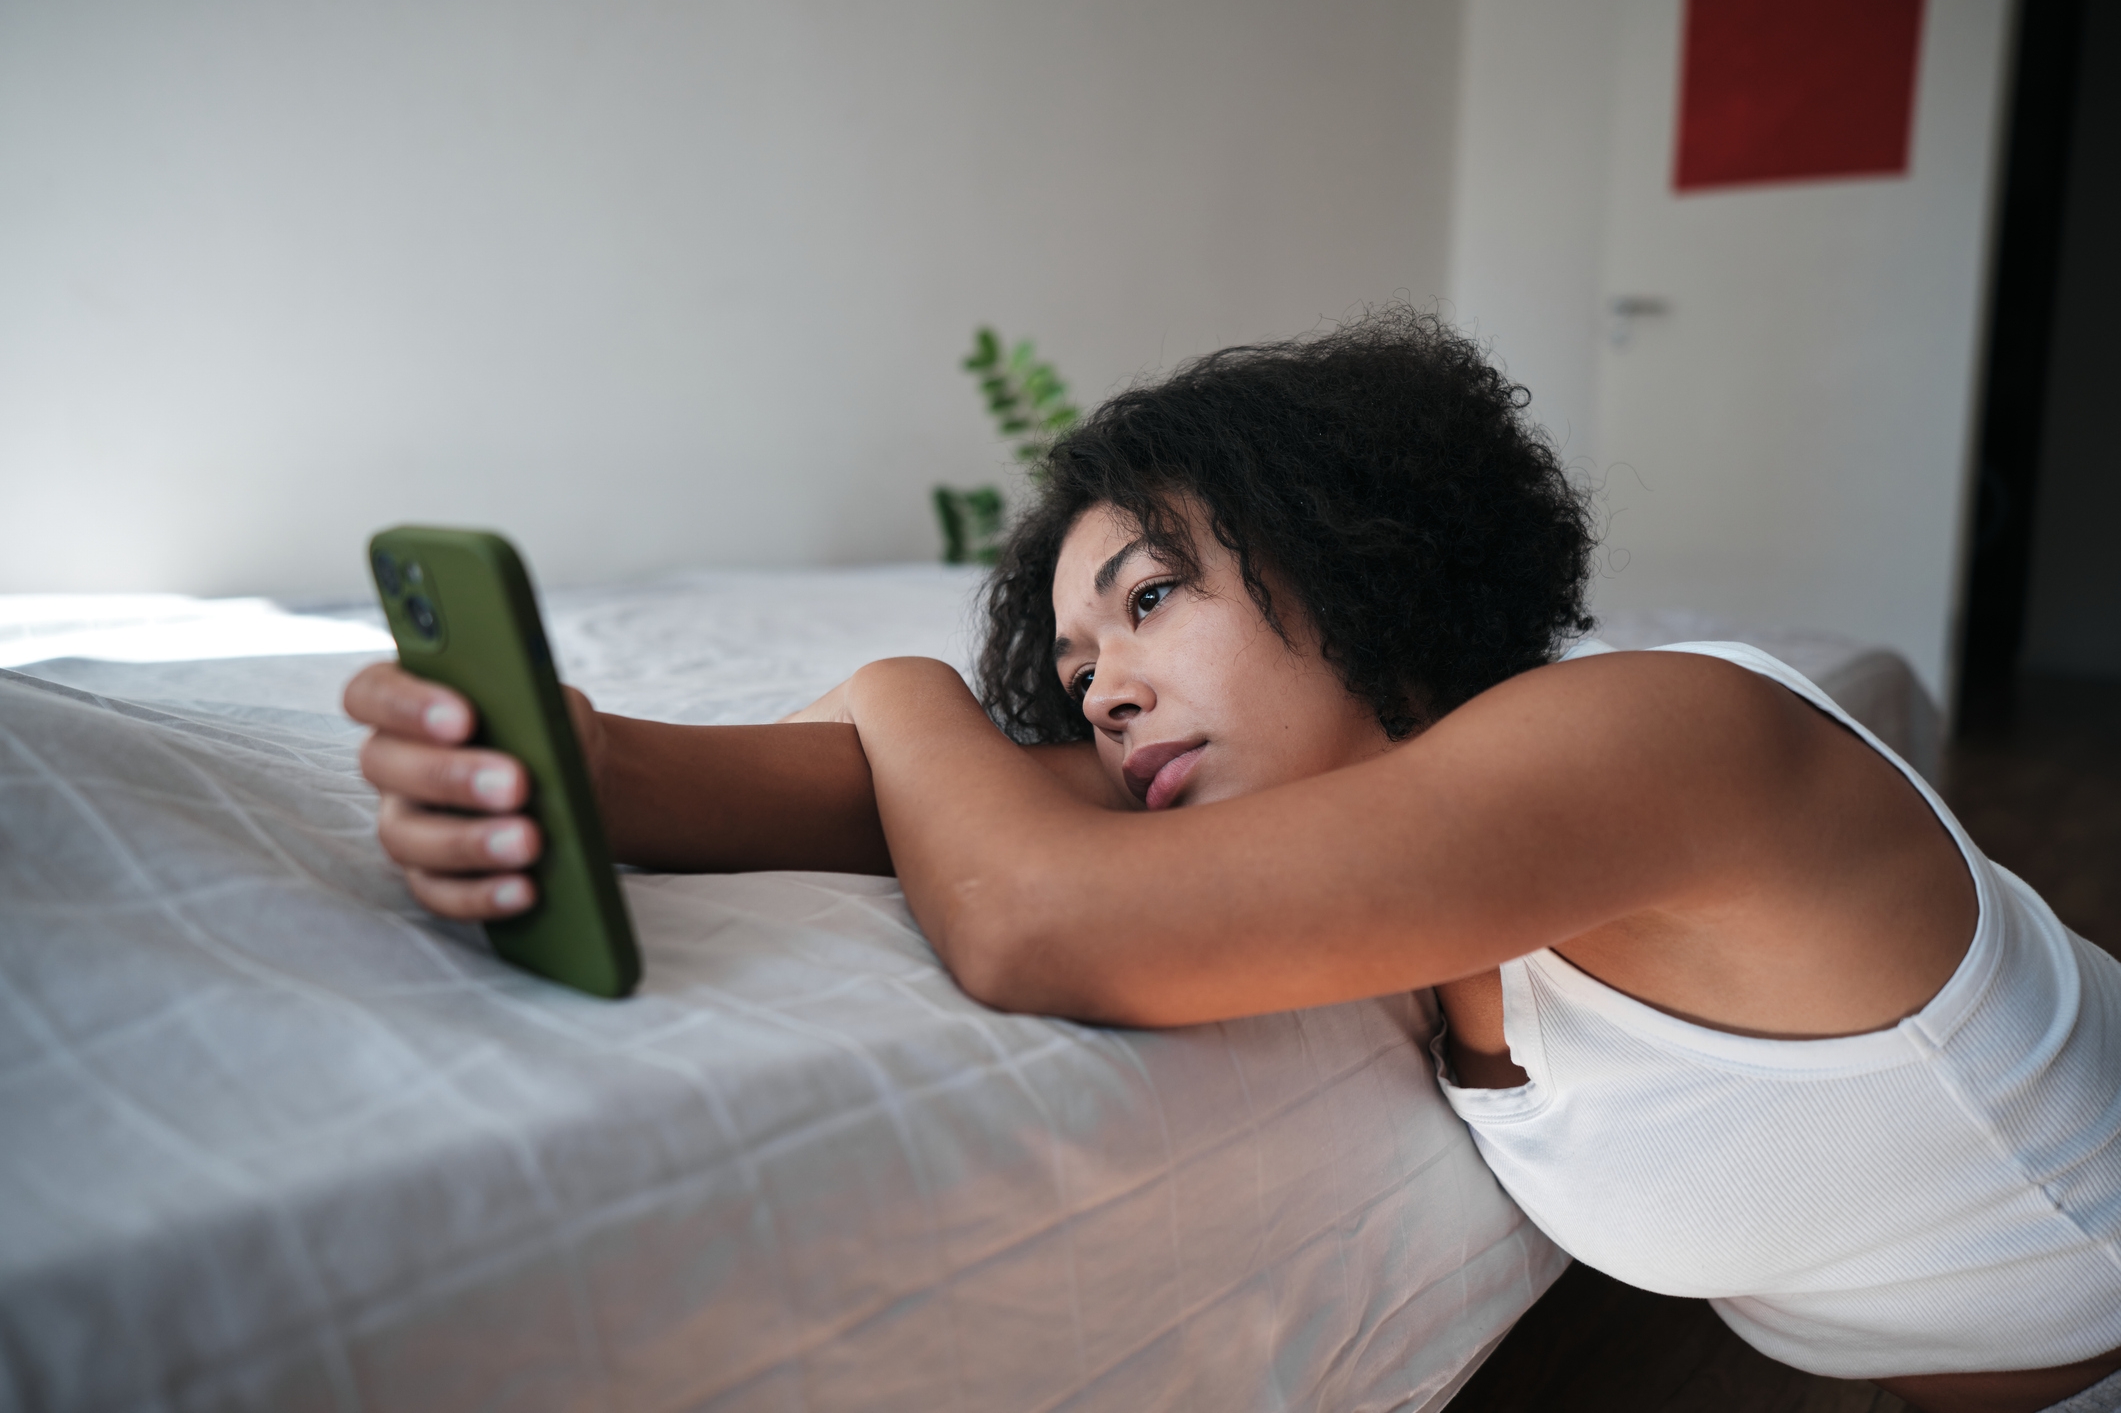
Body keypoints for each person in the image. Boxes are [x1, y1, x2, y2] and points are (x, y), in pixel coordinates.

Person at [345, 309, 2121, 1413]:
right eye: (1076, 656)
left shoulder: (1666, 744)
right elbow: (910, 799)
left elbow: (1037, 912)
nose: (1102, 686)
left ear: (1360, 555)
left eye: (1148, 596)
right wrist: (580, 764)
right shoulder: (1352, 823)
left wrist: (900, 689)